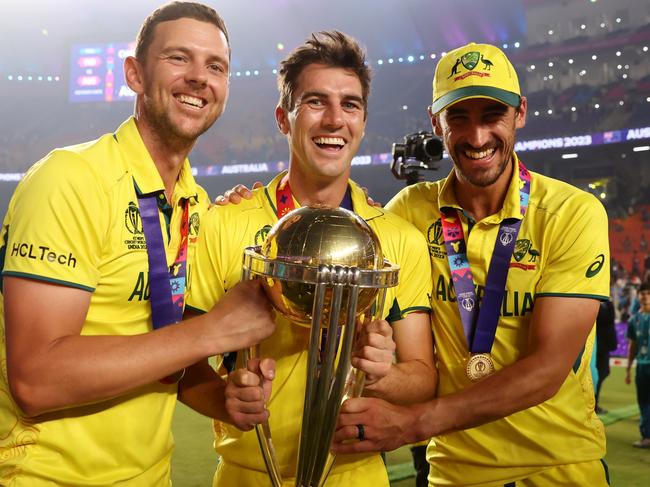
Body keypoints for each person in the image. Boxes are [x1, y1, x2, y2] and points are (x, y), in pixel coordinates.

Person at [0, 2, 276, 485]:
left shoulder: (195, 203)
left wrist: (223, 397)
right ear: (134, 74)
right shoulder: (71, 179)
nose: (199, 77)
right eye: (178, 58)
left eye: (216, 66)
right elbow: (35, 379)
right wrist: (214, 331)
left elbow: (161, 353)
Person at [333, 42, 611, 485]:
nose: (477, 137)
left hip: (561, 468)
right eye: (458, 118)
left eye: (491, 116)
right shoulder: (409, 211)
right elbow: (341, 225)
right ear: (435, 122)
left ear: (520, 112)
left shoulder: (572, 212)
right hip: (453, 472)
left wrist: (413, 424)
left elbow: (546, 370)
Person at [182, 31, 437, 486]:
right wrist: (224, 399)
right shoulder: (223, 224)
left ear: (362, 121)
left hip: (357, 475)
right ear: (284, 118)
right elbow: (183, 366)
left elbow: (422, 377)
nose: (335, 120)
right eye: (315, 102)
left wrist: (381, 374)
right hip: (246, 474)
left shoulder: (399, 239)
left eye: (351, 105)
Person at [625, 280, 650, 448]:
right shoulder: (634, 320)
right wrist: (628, 368)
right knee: (643, 401)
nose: (645, 296)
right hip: (642, 366)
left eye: (648, 293)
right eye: (643, 293)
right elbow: (632, 345)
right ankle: (646, 436)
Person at [595, 299, 617, 414]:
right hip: (598, 345)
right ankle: (593, 404)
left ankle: (593, 403)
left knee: (604, 373)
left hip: (605, 346)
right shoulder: (595, 304)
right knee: (598, 375)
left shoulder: (607, 303)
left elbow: (611, 319)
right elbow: (606, 320)